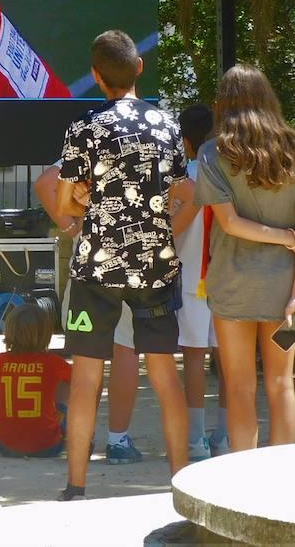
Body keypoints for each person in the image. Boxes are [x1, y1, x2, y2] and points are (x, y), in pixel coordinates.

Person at [55, 30, 190, 500]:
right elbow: (183, 192)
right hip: (155, 264)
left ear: (95, 76)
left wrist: (81, 196)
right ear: (139, 68)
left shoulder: (84, 129)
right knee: (164, 373)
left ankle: (75, 485)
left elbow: (66, 204)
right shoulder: (168, 126)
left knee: (88, 375)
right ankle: (181, 483)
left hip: (96, 267)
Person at [196, 64, 295, 451]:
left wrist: (283, 238)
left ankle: (243, 481)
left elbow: (229, 224)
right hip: (285, 288)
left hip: (232, 287)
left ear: (223, 104)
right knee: (283, 383)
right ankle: (280, 477)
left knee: (238, 385)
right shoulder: (294, 149)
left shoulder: (212, 153)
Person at [35, 164, 145, 464]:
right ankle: (118, 441)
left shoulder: (87, 139)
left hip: (87, 265)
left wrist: (72, 227)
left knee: (87, 359)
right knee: (127, 351)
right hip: (131, 265)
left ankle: (79, 440)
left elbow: (45, 183)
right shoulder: (147, 138)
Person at [167, 103, 227, 461]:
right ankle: (226, 436)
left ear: (185, 139)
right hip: (227, 278)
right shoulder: (229, 172)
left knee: (193, 359)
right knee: (230, 359)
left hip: (191, 279)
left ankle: (195, 441)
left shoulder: (182, 177)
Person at [0, 301, 72, 458]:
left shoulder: (0, 361)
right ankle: (73, 436)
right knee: (66, 385)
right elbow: (78, 383)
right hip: (47, 446)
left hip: (4, 444)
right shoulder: (54, 363)